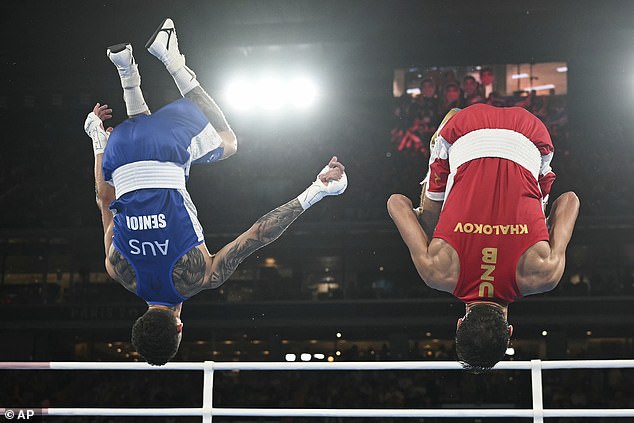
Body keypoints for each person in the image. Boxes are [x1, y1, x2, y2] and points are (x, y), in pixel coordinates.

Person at [84, 18, 348, 365]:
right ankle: (126, 69)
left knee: (229, 141)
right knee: (144, 137)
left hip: (164, 148)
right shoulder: (117, 269)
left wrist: (317, 191)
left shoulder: (199, 277)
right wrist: (97, 141)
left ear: (179, 327)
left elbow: (258, 235)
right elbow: (105, 200)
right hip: (120, 151)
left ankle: (171, 57)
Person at [387, 104, 579, 372]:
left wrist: (541, 224)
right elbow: (396, 202)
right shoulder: (437, 272)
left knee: (542, 210)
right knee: (430, 225)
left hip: (532, 133)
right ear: (459, 323)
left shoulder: (543, 275)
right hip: (464, 128)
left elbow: (569, 200)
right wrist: (425, 216)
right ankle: (440, 153)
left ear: (509, 330)